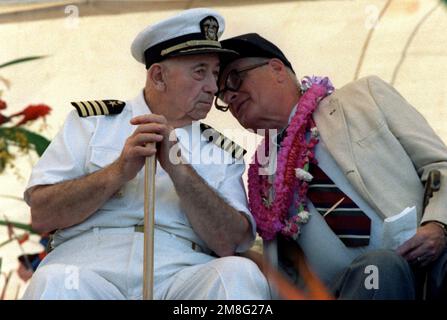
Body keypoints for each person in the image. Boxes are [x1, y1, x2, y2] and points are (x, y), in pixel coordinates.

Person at [21, 10, 271, 300]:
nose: (213, 88)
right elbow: (41, 215)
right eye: (200, 72)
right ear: (158, 76)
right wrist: (118, 171)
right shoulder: (92, 123)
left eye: (215, 73)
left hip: (181, 276)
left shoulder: (220, 149)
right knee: (54, 281)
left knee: (239, 275)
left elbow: (233, 242)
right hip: (88, 270)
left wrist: (181, 171)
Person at [215, 33, 447, 299]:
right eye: (222, 94)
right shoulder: (261, 177)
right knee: (380, 268)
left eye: (234, 79)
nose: (229, 96)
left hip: (431, 259)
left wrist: (438, 226)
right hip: (350, 289)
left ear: (276, 68)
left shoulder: (363, 98)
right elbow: (287, 270)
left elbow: (440, 165)